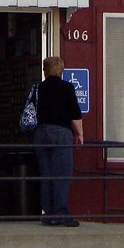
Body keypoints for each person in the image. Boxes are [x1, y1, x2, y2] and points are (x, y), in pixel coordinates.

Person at [32, 55, 83, 226]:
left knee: (46, 174)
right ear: (61, 70)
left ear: (45, 70)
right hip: (61, 133)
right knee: (61, 173)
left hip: (40, 133)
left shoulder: (38, 88)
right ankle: (61, 213)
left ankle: (48, 213)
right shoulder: (67, 88)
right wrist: (80, 134)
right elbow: (75, 114)